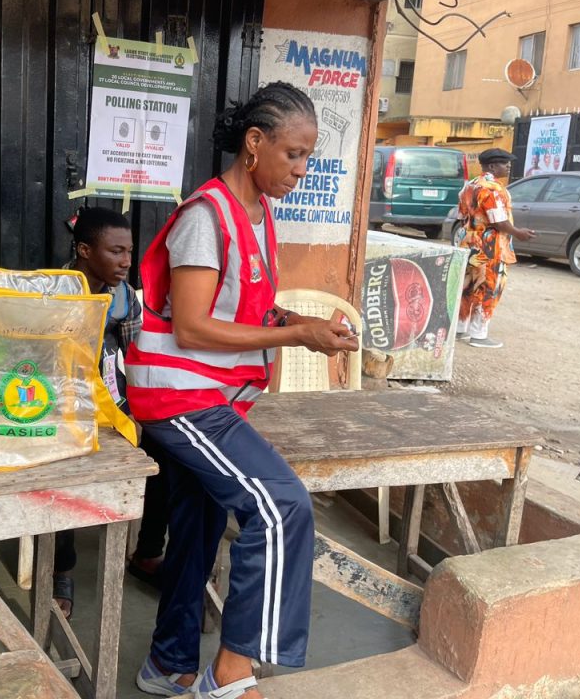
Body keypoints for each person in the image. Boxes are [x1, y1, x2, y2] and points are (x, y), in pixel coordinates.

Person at [125, 82, 359, 699]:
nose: (302, 170)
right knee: (282, 507)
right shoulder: (206, 217)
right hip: (180, 399)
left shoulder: (258, 215)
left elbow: (247, 306)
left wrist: (294, 321)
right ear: (254, 143)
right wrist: (297, 335)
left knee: (199, 524)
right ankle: (231, 671)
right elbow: (192, 325)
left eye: (308, 157)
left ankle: (168, 664)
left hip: (216, 399)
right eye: (293, 154)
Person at [52, 206, 150, 618]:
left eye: (129, 251)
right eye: (115, 251)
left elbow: (135, 354)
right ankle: (61, 568)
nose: (126, 261)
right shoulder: (54, 292)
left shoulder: (123, 297)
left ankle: (148, 552)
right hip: (61, 399)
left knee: (165, 453)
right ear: (84, 250)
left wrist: (142, 410)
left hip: (111, 398)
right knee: (61, 472)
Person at [454, 148, 536, 349]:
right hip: (490, 248)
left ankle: (460, 328)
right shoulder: (493, 189)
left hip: (468, 244)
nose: (508, 166)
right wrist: (518, 232)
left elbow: (461, 216)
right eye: (505, 163)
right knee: (489, 288)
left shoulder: (469, 186)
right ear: (491, 166)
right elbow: (498, 221)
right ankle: (479, 334)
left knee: (467, 287)